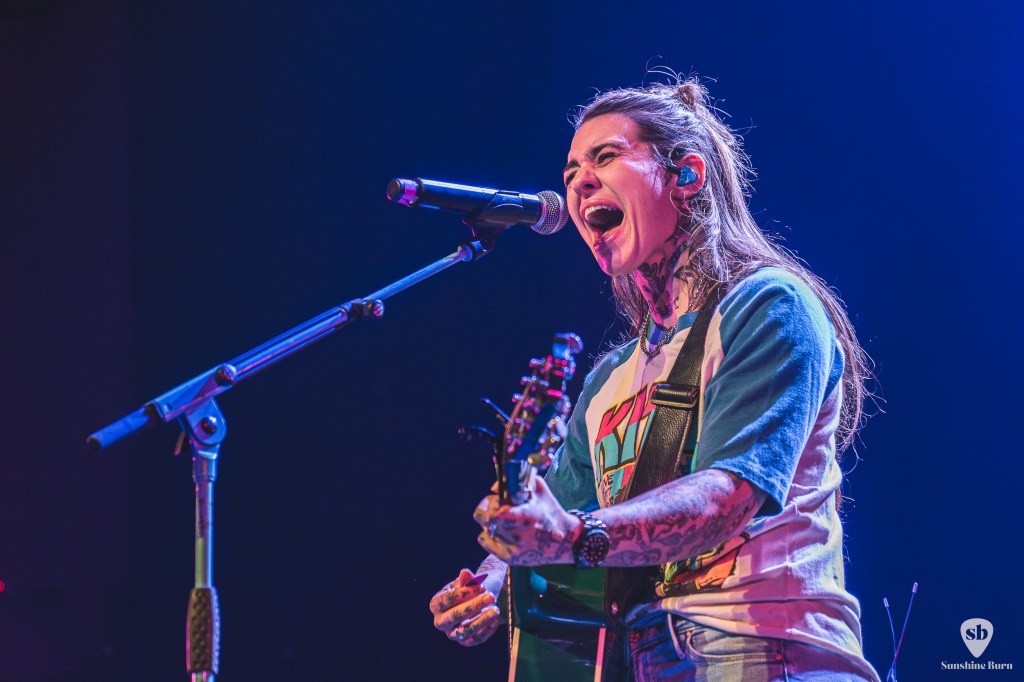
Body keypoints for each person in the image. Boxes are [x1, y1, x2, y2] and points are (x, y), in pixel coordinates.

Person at [429, 74, 880, 681]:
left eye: (606, 157)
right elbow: (556, 510)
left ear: (685, 176)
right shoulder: (609, 382)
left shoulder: (768, 307)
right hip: (640, 660)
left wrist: (571, 537)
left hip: (763, 648)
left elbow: (726, 500)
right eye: (569, 172)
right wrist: (487, 582)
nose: (578, 181)